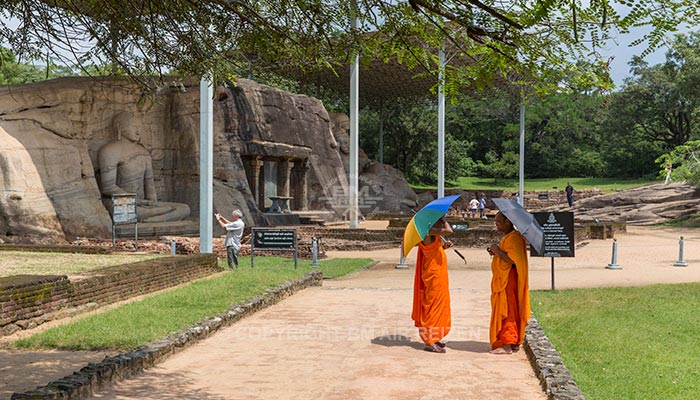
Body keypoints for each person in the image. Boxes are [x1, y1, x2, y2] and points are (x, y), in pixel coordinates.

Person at [98, 111, 190, 222]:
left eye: (139, 126)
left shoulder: (143, 152)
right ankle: (154, 218)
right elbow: (108, 188)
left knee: (184, 208)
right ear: (120, 127)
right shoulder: (110, 150)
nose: (138, 130)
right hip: (120, 203)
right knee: (128, 211)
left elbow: (150, 188)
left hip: (143, 204)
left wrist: (153, 204)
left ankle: (152, 219)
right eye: (133, 126)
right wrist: (137, 201)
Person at [487, 212, 531, 355]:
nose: (496, 224)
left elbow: (513, 260)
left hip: (508, 280)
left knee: (508, 309)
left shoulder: (515, 238)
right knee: (508, 308)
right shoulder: (508, 237)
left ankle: (507, 344)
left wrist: (497, 250)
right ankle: (512, 342)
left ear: (507, 222)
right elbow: (507, 256)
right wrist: (497, 252)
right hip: (504, 278)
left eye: (498, 222)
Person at [412, 216, 453, 353]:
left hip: (437, 273)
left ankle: (434, 337)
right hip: (432, 276)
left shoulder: (433, 234)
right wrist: (444, 220)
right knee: (432, 306)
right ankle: (430, 341)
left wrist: (443, 247)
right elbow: (449, 230)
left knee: (439, 304)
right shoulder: (428, 231)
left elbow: (431, 251)